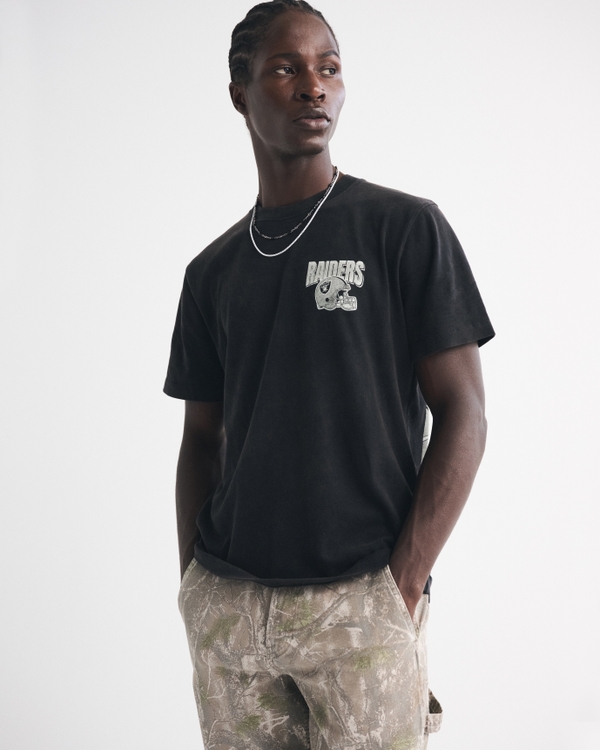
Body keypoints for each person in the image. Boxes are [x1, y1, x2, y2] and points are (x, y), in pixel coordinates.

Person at [164, 1, 495, 748]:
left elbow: (466, 414)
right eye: (287, 68)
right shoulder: (212, 271)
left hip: (361, 603)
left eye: (330, 68)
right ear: (240, 93)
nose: (315, 86)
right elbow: (201, 440)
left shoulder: (403, 228)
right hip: (229, 609)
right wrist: (194, 589)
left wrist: (402, 583)